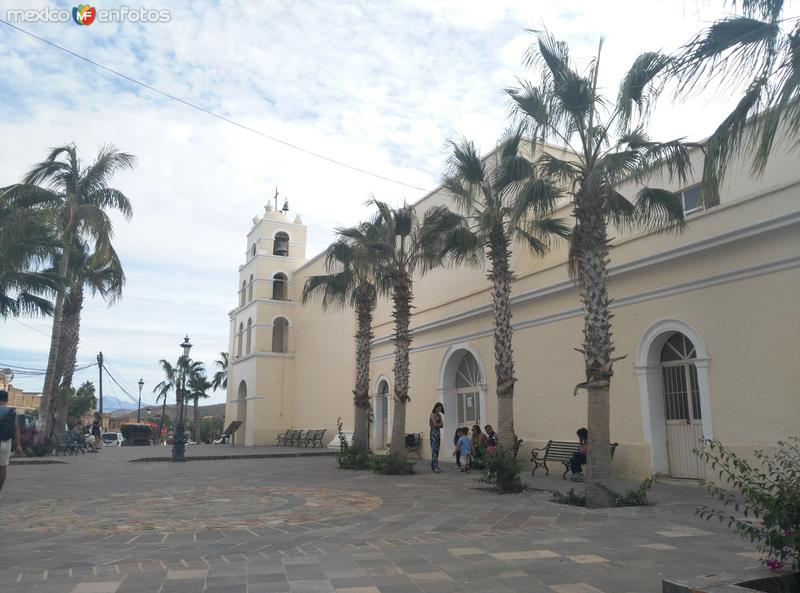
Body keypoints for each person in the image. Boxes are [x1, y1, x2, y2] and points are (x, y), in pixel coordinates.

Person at [0, 390, 22, 494]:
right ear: (7, 399)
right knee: (3, 467)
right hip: (6, 442)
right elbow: (16, 429)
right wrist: (18, 445)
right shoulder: (12, 412)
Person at [429, 403, 444, 473]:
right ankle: (435, 467)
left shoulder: (439, 415)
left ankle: (434, 466)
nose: (440, 409)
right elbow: (435, 424)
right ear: (436, 407)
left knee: (437, 450)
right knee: (434, 450)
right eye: (439, 408)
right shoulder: (432, 414)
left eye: (441, 408)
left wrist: (438, 425)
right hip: (433, 434)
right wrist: (439, 424)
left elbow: (442, 425)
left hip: (438, 433)